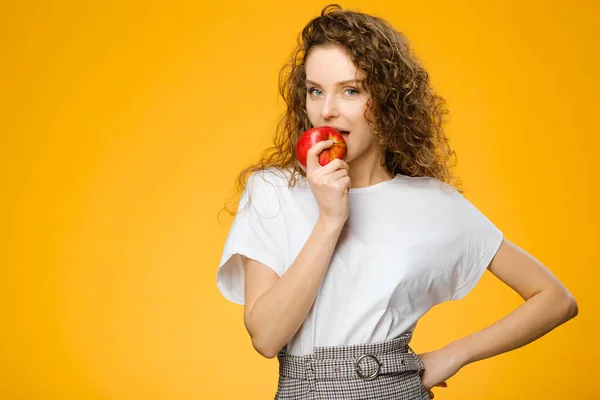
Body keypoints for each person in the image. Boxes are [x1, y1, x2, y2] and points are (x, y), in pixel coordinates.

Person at [216, 4, 578, 399]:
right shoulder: (272, 189)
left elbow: (554, 299)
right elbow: (266, 338)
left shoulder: (432, 203)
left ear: (386, 100)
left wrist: (455, 353)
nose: (326, 111)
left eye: (350, 90)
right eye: (315, 90)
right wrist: (330, 220)